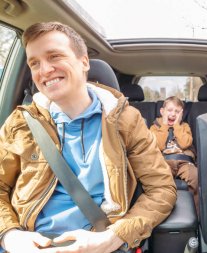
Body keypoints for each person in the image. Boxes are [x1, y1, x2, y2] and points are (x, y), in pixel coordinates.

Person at [0, 22, 176, 253]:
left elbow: (161, 189)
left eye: (54, 56)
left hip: (99, 242)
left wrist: (116, 236)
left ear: (84, 62)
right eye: (35, 63)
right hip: (28, 242)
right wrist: (9, 235)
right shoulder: (20, 122)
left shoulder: (126, 121)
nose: (44, 70)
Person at [150, 96, 199, 214]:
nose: (173, 114)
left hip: (184, 162)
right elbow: (159, 146)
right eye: (170, 110)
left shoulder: (184, 126)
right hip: (164, 161)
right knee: (158, 179)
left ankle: (195, 212)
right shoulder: (155, 127)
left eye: (177, 112)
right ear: (162, 112)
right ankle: (161, 209)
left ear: (181, 114)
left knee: (195, 176)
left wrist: (176, 125)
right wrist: (165, 126)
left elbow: (185, 143)